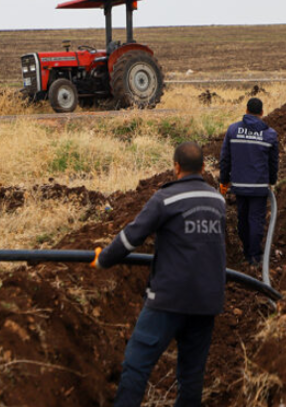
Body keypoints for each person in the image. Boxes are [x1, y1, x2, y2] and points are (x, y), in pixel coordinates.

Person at [93, 141, 226, 407]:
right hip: (208, 298)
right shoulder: (218, 200)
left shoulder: (165, 198)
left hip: (170, 297)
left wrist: (103, 260)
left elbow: (131, 239)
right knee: (191, 374)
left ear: (176, 167)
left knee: (136, 362)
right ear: (202, 167)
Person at [219, 97, 279, 266]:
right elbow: (273, 163)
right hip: (259, 187)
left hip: (238, 186)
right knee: (256, 221)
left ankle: (246, 252)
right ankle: (254, 257)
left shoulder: (232, 130)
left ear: (246, 111)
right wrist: (271, 181)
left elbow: (225, 159)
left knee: (242, 219)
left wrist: (224, 181)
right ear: (262, 113)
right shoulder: (270, 134)